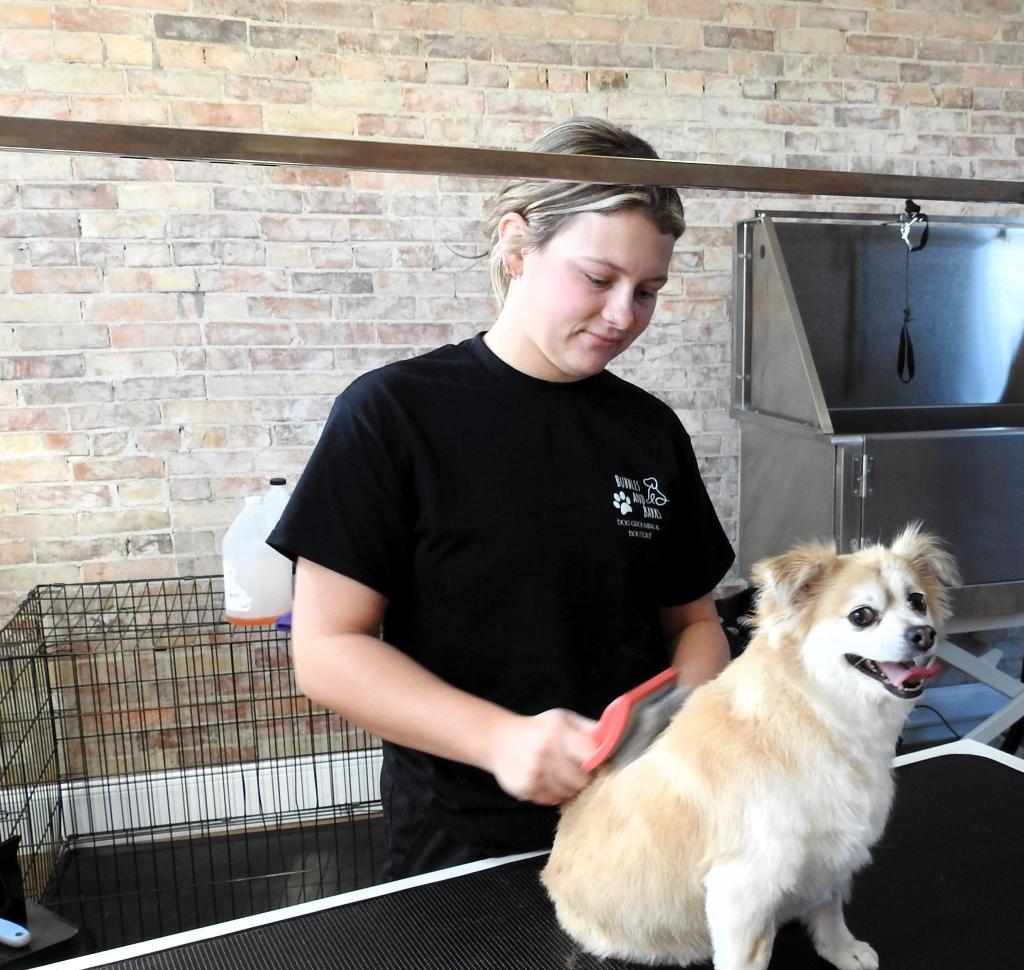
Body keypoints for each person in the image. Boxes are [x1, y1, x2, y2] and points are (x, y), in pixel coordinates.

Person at [268, 117, 735, 880]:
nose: (624, 315)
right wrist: (501, 741)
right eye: (598, 278)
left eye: (648, 291)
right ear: (518, 247)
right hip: (464, 839)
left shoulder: (649, 430)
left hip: (640, 817)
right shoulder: (394, 414)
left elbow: (694, 622)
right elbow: (326, 650)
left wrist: (676, 715)